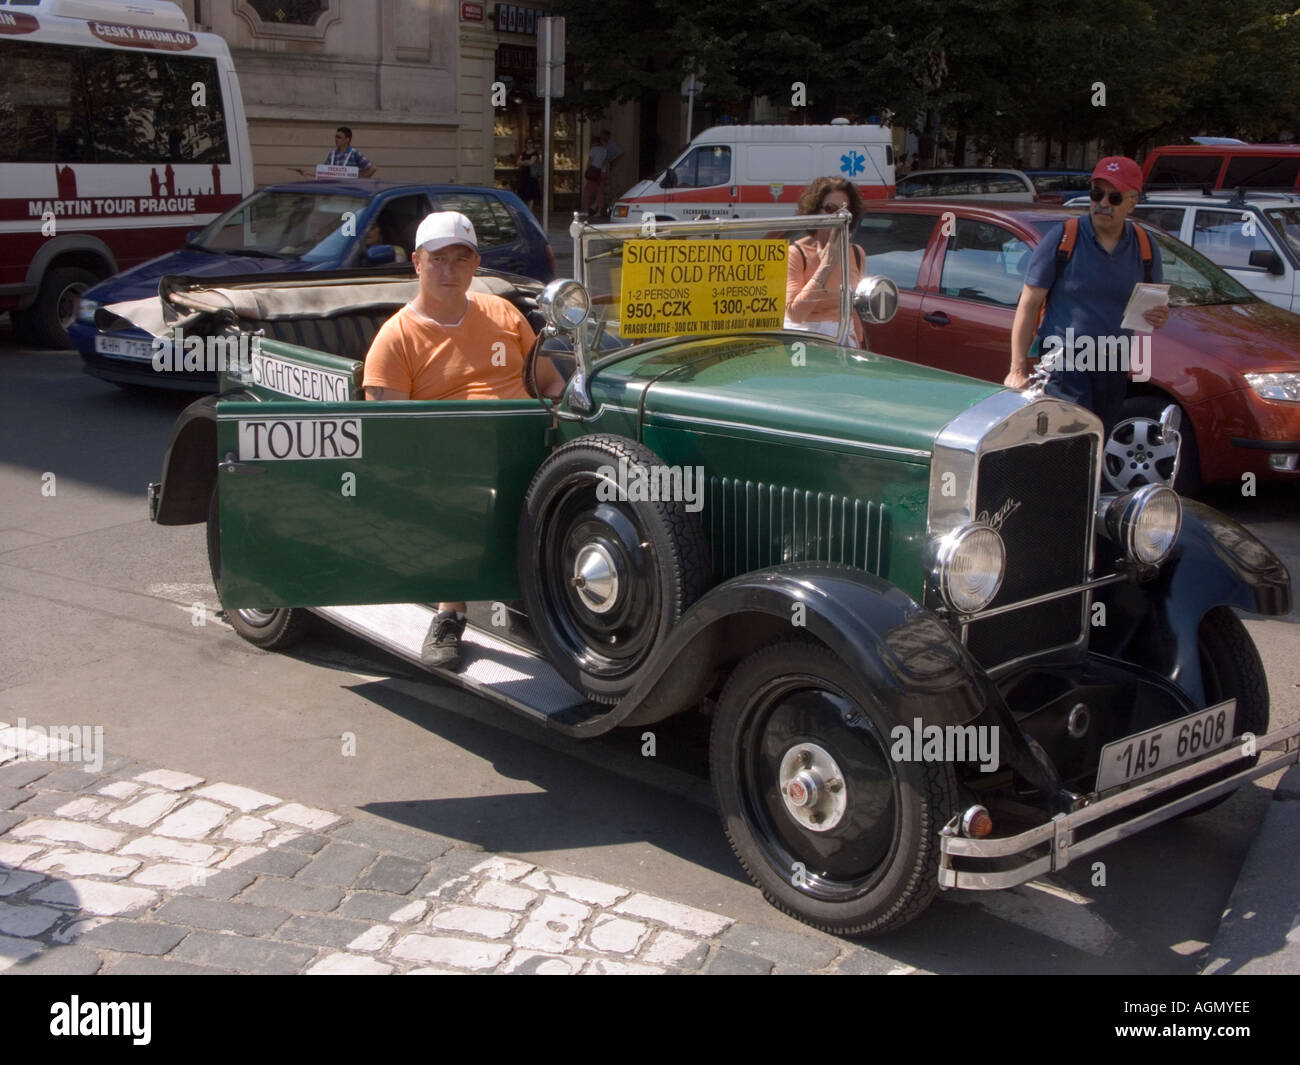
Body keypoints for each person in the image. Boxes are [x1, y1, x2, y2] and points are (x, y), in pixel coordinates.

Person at [363, 211, 564, 670]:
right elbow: (391, 433)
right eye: (439, 259)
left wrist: (565, 430)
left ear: (475, 265)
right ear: (417, 263)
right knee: (455, 495)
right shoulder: (395, 339)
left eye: (462, 258)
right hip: (449, 464)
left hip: (523, 448)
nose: (451, 270)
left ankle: (542, 600)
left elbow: (548, 384)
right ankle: (450, 612)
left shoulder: (503, 312)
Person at [1004, 156, 1169, 436]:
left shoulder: (1144, 245)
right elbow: (1029, 304)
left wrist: (1158, 316)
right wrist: (1017, 368)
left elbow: (1153, 308)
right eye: (1096, 194)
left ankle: (1086, 481)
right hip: (1064, 360)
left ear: (1132, 202)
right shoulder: (1064, 238)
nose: (1103, 203)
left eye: (1114, 197)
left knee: (1098, 437)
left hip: (1113, 360)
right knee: (1071, 438)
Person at [784, 176, 868, 346]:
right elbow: (795, 313)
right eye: (831, 209)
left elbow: (853, 310)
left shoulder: (857, 253)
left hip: (844, 341)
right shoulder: (796, 253)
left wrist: (860, 346)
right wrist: (827, 264)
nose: (839, 217)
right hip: (807, 342)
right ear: (815, 211)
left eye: (845, 211)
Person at [581, 132, 608, 217]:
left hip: (593, 172)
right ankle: (599, 211)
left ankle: (586, 209)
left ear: (594, 142)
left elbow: (590, 161)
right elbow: (606, 162)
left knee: (587, 191)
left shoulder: (593, 149)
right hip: (602, 172)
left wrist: (586, 171)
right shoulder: (605, 150)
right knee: (600, 192)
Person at [517, 139, 541, 214]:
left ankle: (529, 211)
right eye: (527, 143)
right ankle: (527, 210)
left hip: (531, 175)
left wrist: (523, 162)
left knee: (531, 193)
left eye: (530, 143)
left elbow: (531, 163)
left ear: (533, 144)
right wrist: (526, 162)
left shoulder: (535, 153)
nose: (529, 144)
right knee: (524, 193)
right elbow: (518, 162)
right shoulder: (523, 153)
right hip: (524, 175)